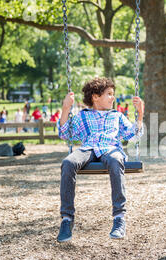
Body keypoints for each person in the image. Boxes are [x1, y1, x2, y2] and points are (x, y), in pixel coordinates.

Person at [57, 77, 144, 242]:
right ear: (95, 97)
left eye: (113, 94)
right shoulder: (82, 116)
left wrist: (140, 114)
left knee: (115, 160)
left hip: (110, 148)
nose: (113, 97)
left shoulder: (116, 116)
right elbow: (65, 134)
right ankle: (67, 219)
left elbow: (133, 135)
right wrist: (66, 108)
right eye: (109, 94)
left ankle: (119, 218)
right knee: (68, 162)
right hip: (87, 149)